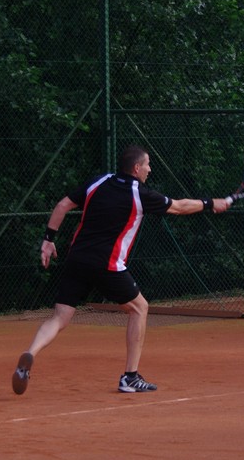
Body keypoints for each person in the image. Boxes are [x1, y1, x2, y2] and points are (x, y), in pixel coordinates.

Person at [12, 145, 231, 394]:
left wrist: (48, 240)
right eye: (147, 164)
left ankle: (30, 353)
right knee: (140, 308)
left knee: (59, 318)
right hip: (107, 265)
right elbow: (179, 207)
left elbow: (63, 205)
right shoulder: (140, 194)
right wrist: (210, 203)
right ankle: (130, 377)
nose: (150, 169)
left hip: (77, 259)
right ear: (136, 168)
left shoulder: (98, 182)